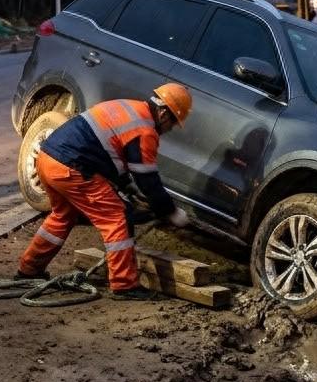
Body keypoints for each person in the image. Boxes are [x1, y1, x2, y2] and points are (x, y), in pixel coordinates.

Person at [16, 83, 193, 300]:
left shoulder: (129, 107)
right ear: (164, 113)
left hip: (47, 158)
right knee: (118, 217)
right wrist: (170, 211)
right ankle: (124, 285)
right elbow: (147, 180)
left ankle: (28, 270)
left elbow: (107, 150)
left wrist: (126, 187)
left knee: (63, 216)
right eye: (173, 123)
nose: (170, 129)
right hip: (71, 167)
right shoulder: (145, 129)